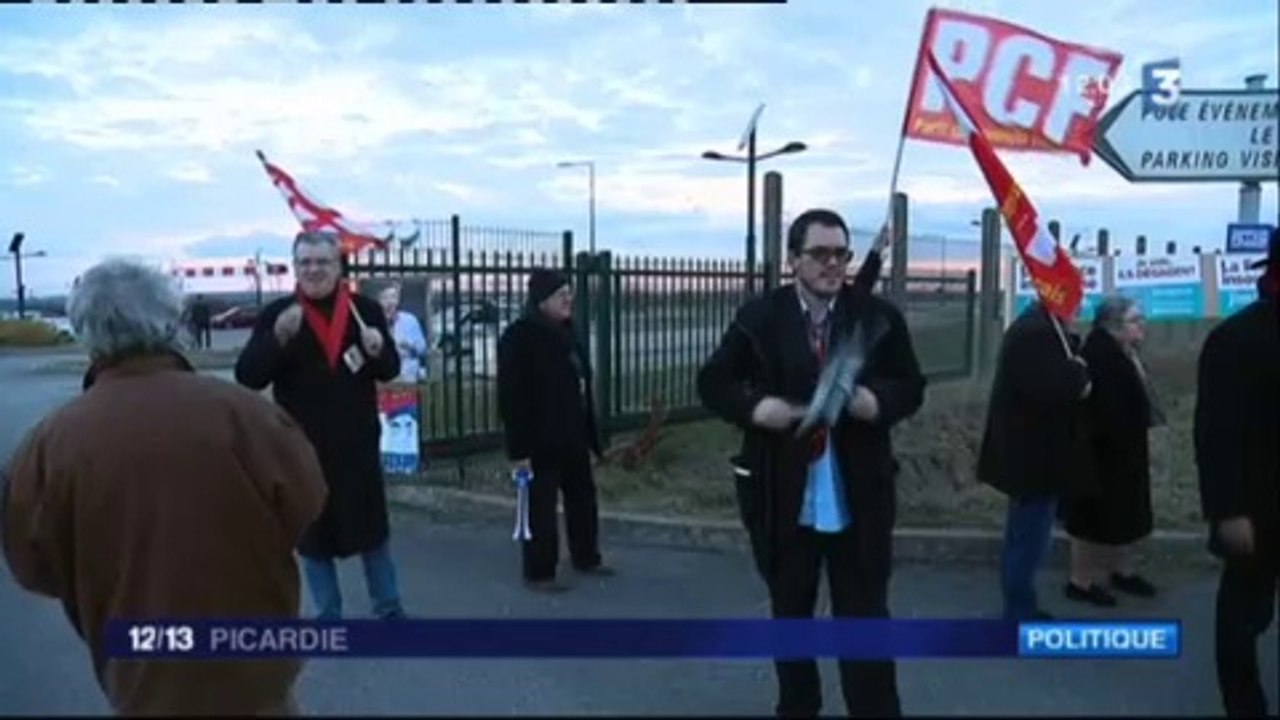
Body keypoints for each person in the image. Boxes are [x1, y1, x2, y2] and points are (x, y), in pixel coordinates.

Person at [1, 258, 327, 715]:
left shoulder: (50, 443)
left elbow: (33, 565)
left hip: (140, 681)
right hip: (257, 675)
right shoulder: (246, 415)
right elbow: (307, 505)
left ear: (85, 332)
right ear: (172, 320)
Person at [697, 209, 925, 718]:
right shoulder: (760, 318)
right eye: (819, 253)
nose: (831, 264)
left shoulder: (875, 317)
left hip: (858, 498)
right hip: (783, 496)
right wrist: (757, 408)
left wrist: (877, 402)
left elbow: (912, 386)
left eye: (840, 253)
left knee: (865, 620)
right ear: (793, 259)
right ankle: (798, 707)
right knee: (791, 618)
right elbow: (713, 382)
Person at [235, 231, 407, 620]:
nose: (313, 270)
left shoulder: (365, 311)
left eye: (322, 262)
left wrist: (378, 349)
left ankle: (389, 607)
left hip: (357, 445)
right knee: (312, 538)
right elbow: (248, 377)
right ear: (295, 267)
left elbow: (391, 368)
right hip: (300, 450)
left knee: (373, 532)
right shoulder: (279, 314)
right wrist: (278, 338)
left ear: (338, 267)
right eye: (305, 263)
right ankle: (328, 616)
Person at [1194, 228, 1280, 717]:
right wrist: (1228, 510)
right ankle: (1245, 706)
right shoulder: (1237, 338)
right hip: (1258, 505)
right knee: (1244, 614)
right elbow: (1216, 434)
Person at [977, 299, 1094, 620]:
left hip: (1031, 454)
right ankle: (1019, 609)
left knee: (1026, 533)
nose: (1079, 305)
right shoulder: (1036, 334)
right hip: (1033, 458)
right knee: (1028, 538)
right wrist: (1079, 373)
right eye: (1074, 298)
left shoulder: (1041, 329)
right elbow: (1053, 388)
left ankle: (1020, 603)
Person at [496, 268, 611, 593]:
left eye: (570, 294)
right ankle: (540, 571)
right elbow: (511, 397)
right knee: (540, 509)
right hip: (538, 441)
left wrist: (591, 438)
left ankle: (586, 556)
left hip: (573, 436)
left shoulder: (567, 331)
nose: (568, 300)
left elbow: (581, 385)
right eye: (562, 295)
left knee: (583, 500)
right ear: (542, 300)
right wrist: (518, 451)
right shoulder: (519, 337)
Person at [1059, 295, 1161, 606]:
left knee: (1127, 513)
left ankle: (1123, 571)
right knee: (1091, 519)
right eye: (1134, 320)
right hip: (1100, 452)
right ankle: (1081, 581)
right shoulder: (1099, 355)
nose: (1142, 325)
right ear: (1113, 326)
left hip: (1125, 448)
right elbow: (1099, 408)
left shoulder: (1124, 351)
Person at [378, 281, 428, 383]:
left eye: (393, 297)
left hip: (407, 378)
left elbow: (423, 349)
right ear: (378, 300)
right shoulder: (373, 321)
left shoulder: (410, 320)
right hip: (384, 380)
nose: (390, 302)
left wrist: (410, 346)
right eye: (385, 297)